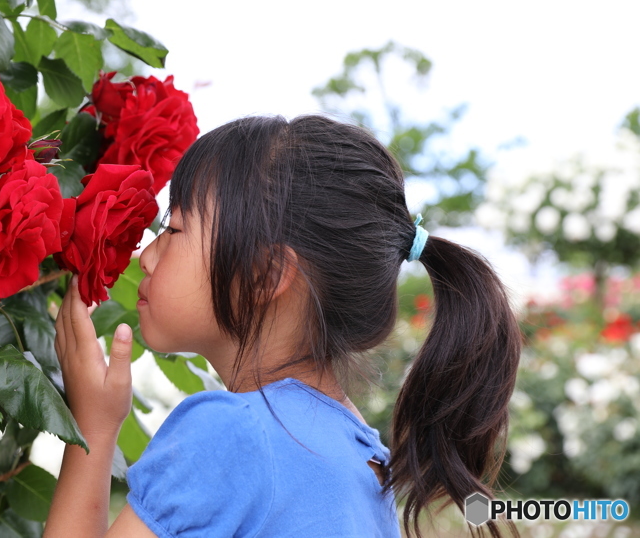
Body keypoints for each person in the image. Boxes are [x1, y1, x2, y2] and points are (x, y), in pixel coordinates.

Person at [44, 115, 522, 538]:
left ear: (265, 274)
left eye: (174, 230)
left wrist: (94, 427)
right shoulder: (361, 452)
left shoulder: (232, 434)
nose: (147, 257)